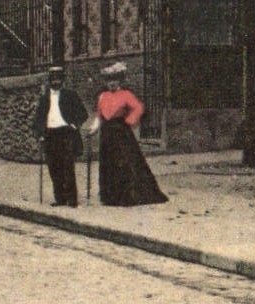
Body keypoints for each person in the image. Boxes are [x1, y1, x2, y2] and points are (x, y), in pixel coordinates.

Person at [89, 62, 167, 206]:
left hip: (121, 132)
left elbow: (138, 108)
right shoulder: (103, 96)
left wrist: (128, 121)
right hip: (107, 133)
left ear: (120, 81)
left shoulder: (126, 95)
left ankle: (128, 196)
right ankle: (111, 196)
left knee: (125, 161)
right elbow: (99, 115)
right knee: (109, 163)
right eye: (109, 80)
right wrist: (93, 129)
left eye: (115, 80)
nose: (112, 83)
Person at [32, 64, 88, 206]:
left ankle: (72, 199)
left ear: (62, 80)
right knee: (53, 167)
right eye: (53, 79)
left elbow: (83, 113)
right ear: (49, 81)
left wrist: (74, 125)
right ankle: (60, 199)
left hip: (66, 133)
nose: (55, 82)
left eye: (58, 79)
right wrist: (39, 133)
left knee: (67, 166)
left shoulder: (70, 95)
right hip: (50, 135)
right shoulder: (44, 98)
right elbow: (38, 118)